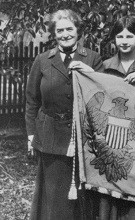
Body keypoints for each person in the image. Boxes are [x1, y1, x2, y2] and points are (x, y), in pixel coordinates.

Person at [25, 9, 103, 220]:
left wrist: (89, 73)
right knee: (53, 194)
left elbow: (102, 96)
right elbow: (32, 100)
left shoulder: (92, 58)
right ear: (54, 33)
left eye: (70, 29)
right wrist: (31, 135)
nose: (65, 34)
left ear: (78, 31)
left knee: (80, 195)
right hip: (49, 135)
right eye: (60, 30)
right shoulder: (43, 60)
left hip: (81, 136)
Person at [96, 16, 135, 220]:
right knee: (111, 189)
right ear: (113, 39)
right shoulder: (105, 66)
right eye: (119, 36)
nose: (124, 40)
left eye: (129, 36)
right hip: (112, 139)